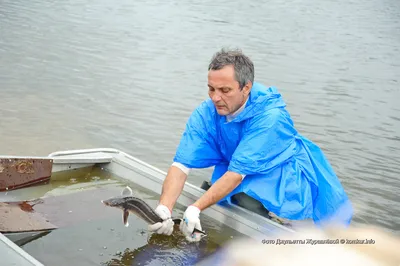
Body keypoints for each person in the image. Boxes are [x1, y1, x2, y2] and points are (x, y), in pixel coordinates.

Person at [148, 48, 353, 242]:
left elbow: (236, 175)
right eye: (211, 89)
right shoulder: (207, 112)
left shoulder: (270, 118)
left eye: (225, 90)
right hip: (240, 172)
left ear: (246, 88)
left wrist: (194, 208)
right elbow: (181, 165)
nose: (215, 98)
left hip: (283, 179)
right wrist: (164, 208)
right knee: (216, 198)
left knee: (269, 217)